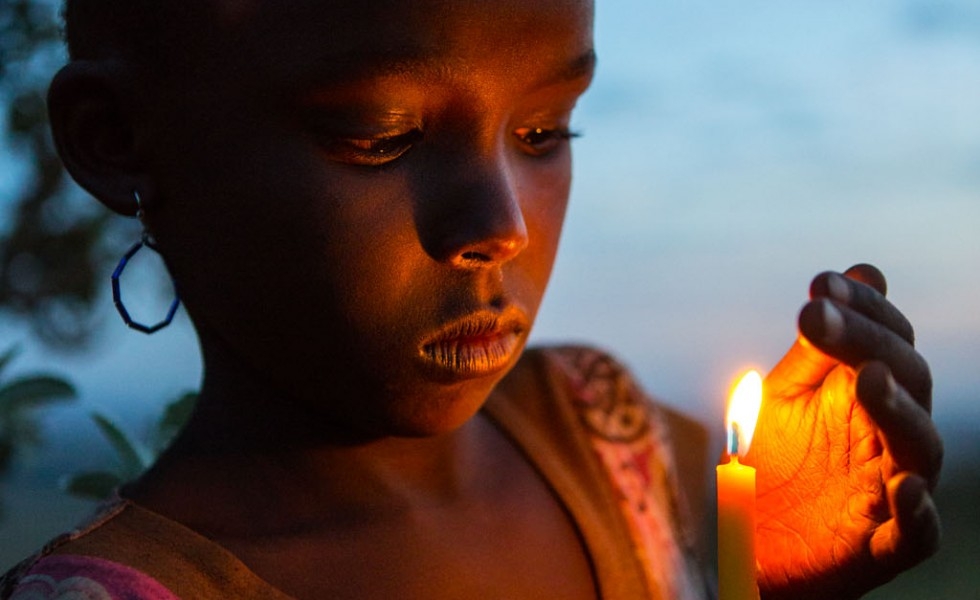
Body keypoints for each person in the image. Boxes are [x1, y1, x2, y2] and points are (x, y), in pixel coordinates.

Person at [1, 0, 943, 598]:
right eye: (381, 135)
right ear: (116, 137)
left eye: (545, 128)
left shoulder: (614, 447)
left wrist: (755, 576)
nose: (501, 223)